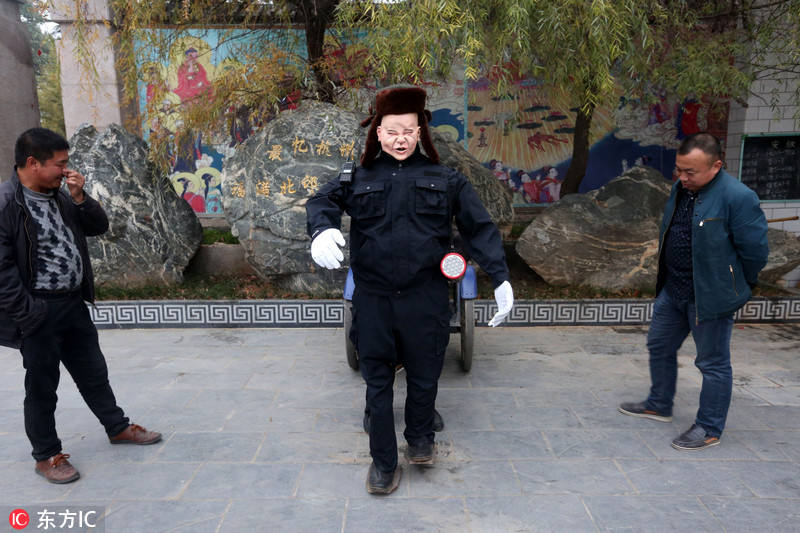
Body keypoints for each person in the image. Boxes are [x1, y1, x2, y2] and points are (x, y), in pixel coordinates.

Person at [306, 85, 513, 494]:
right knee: (378, 381)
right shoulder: (357, 178)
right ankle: (383, 463)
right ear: (377, 134)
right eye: (392, 131)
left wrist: (501, 276)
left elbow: (478, 227)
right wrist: (321, 229)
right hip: (374, 299)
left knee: (424, 374)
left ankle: (420, 437)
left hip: (425, 298)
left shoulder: (446, 179)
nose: (400, 139)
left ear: (420, 133)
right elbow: (320, 202)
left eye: (409, 131)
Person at [0, 128, 162, 484]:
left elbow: (98, 226)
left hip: (73, 303)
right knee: (42, 388)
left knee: (93, 372)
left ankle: (117, 427)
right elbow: (2, 271)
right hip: (38, 312)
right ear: (32, 163)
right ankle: (47, 456)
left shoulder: (59, 195)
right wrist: (30, 314)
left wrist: (80, 197)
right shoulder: (7, 204)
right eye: (60, 164)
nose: (65, 170)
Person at [619, 132, 768, 451]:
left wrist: (738, 287)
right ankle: (659, 403)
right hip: (674, 290)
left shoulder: (738, 197)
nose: (682, 177)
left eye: (690, 172)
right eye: (679, 169)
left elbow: (755, 252)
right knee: (658, 345)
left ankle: (709, 427)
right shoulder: (681, 188)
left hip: (710, 297)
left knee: (712, 364)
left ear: (716, 166)